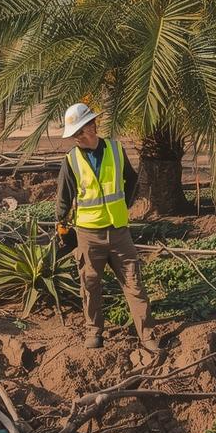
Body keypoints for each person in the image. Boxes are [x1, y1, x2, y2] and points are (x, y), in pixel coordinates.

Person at [54, 102, 156, 350]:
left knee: (134, 285)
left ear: (92, 126)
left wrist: (124, 205)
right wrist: (61, 226)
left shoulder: (116, 150)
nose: (76, 138)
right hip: (89, 236)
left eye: (79, 132)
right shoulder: (71, 160)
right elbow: (63, 198)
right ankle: (94, 333)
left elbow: (131, 181)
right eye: (73, 134)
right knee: (90, 286)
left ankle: (147, 336)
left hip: (120, 233)